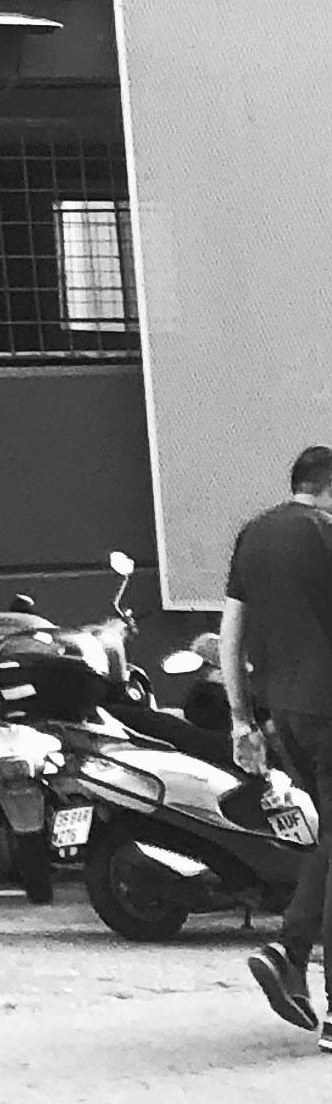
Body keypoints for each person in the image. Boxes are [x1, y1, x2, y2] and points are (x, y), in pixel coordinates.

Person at [224, 442, 332, 1047]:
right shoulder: (326, 534)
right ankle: (298, 963)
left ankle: (289, 954)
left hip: (283, 713)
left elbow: (230, 630)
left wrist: (242, 720)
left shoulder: (254, 536)